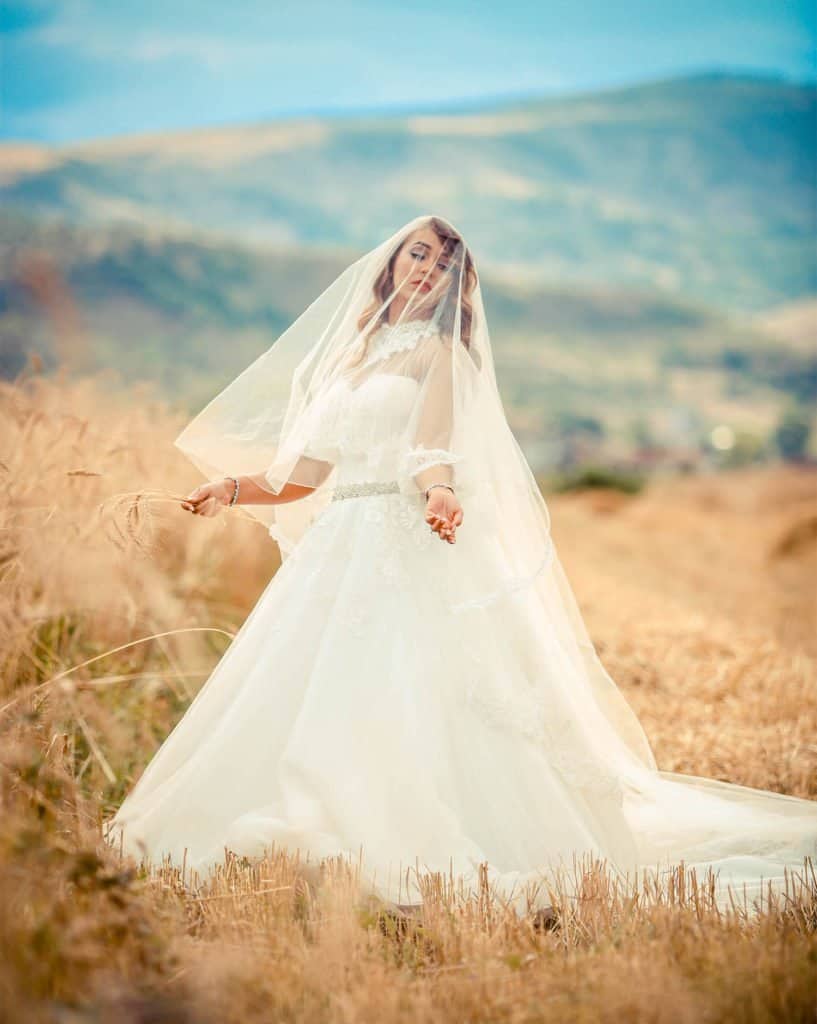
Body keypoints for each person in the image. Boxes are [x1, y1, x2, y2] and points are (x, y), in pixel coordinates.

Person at [104, 214, 817, 917]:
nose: (425, 269)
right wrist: (228, 489)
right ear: (390, 264)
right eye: (417, 254)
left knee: (410, 690)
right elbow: (302, 479)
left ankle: (404, 842)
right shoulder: (350, 357)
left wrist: (439, 492)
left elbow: (429, 449)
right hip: (335, 547)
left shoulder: (437, 353)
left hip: (399, 536)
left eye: (442, 264)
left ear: (454, 283)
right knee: (310, 683)